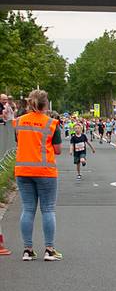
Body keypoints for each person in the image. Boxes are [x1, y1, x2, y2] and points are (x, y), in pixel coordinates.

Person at [13, 90, 62, 261]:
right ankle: (49, 249)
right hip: (45, 171)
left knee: (28, 209)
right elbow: (57, 150)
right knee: (47, 209)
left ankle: (27, 250)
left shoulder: (18, 122)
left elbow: (19, 142)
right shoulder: (51, 123)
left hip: (23, 170)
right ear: (45, 104)